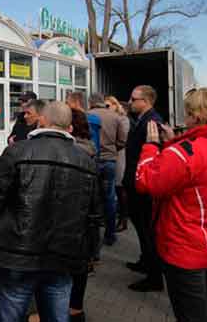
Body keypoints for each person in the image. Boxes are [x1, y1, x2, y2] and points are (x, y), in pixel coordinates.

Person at [0, 101, 103, 322]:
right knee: (56, 315)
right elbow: (94, 216)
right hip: (62, 255)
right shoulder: (86, 161)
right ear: (69, 127)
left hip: (17, 253)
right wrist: (90, 253)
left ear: (42, 120)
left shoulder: (17, 151)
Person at [135, 88, 207, 322]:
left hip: (187, 249)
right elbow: (194, 170)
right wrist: (173, 142)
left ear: (193, 115)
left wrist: (152, 147)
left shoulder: (184, 152)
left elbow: (147, 182)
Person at [123, 85, 164, 292]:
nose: (130, 102)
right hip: (135, 182)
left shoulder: (152, 122)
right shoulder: (142, 120)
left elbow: (154, 155)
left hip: (143, 187)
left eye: (133, 99)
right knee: (140, 227)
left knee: (148, 230)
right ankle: (145, 261)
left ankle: (154, 277)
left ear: (145, 101)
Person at [68, 108, 97, 322]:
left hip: (70, 226)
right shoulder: (89, 149)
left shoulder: (73, 152)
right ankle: (76, 310)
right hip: (83, 230)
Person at [88, 93, 128, 246]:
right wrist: (112, 150)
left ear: (91, 102)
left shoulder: (87, 115)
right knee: (110, 197)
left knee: (92, 198)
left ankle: (93, 237)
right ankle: (110, 235)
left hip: (92, 160)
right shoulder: (115, 117)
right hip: (110, 161)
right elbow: (123, 141)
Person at [105, 97, 130, 233]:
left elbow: (123, 140)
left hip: (120, 155)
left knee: (120, 188)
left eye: (108, 106)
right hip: (113, 154)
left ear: (115, 105)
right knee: (114, 188)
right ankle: (115, 216)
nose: (106, 108)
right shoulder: (112, 118)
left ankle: (123, 219)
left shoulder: (122, 119)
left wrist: (111, 147)